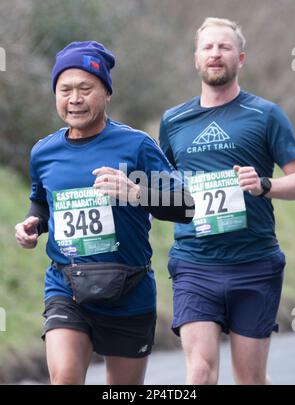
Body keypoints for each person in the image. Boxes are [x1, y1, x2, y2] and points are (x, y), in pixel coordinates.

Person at [15, 41, 194, 385]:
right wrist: (33, 225)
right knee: (65, 378)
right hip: (67, 286)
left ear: (106, 93)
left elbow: (186, 205)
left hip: (130, 289)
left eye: (86, 88)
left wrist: (137, 192)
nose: (75, 98)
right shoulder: (44, 152)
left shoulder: (136, 146)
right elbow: (41, 201)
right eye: (65, 89)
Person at [159, 17, 295, 385]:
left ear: (240, 58)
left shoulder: (266, 115)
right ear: (196, 59)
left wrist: (265, 184)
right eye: (207, 47)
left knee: (249, 379)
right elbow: (164, 188)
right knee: (201, 373)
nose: (215, 54)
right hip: (195, 263)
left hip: (254, 263)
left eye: (224, 47)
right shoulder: (173, 120)